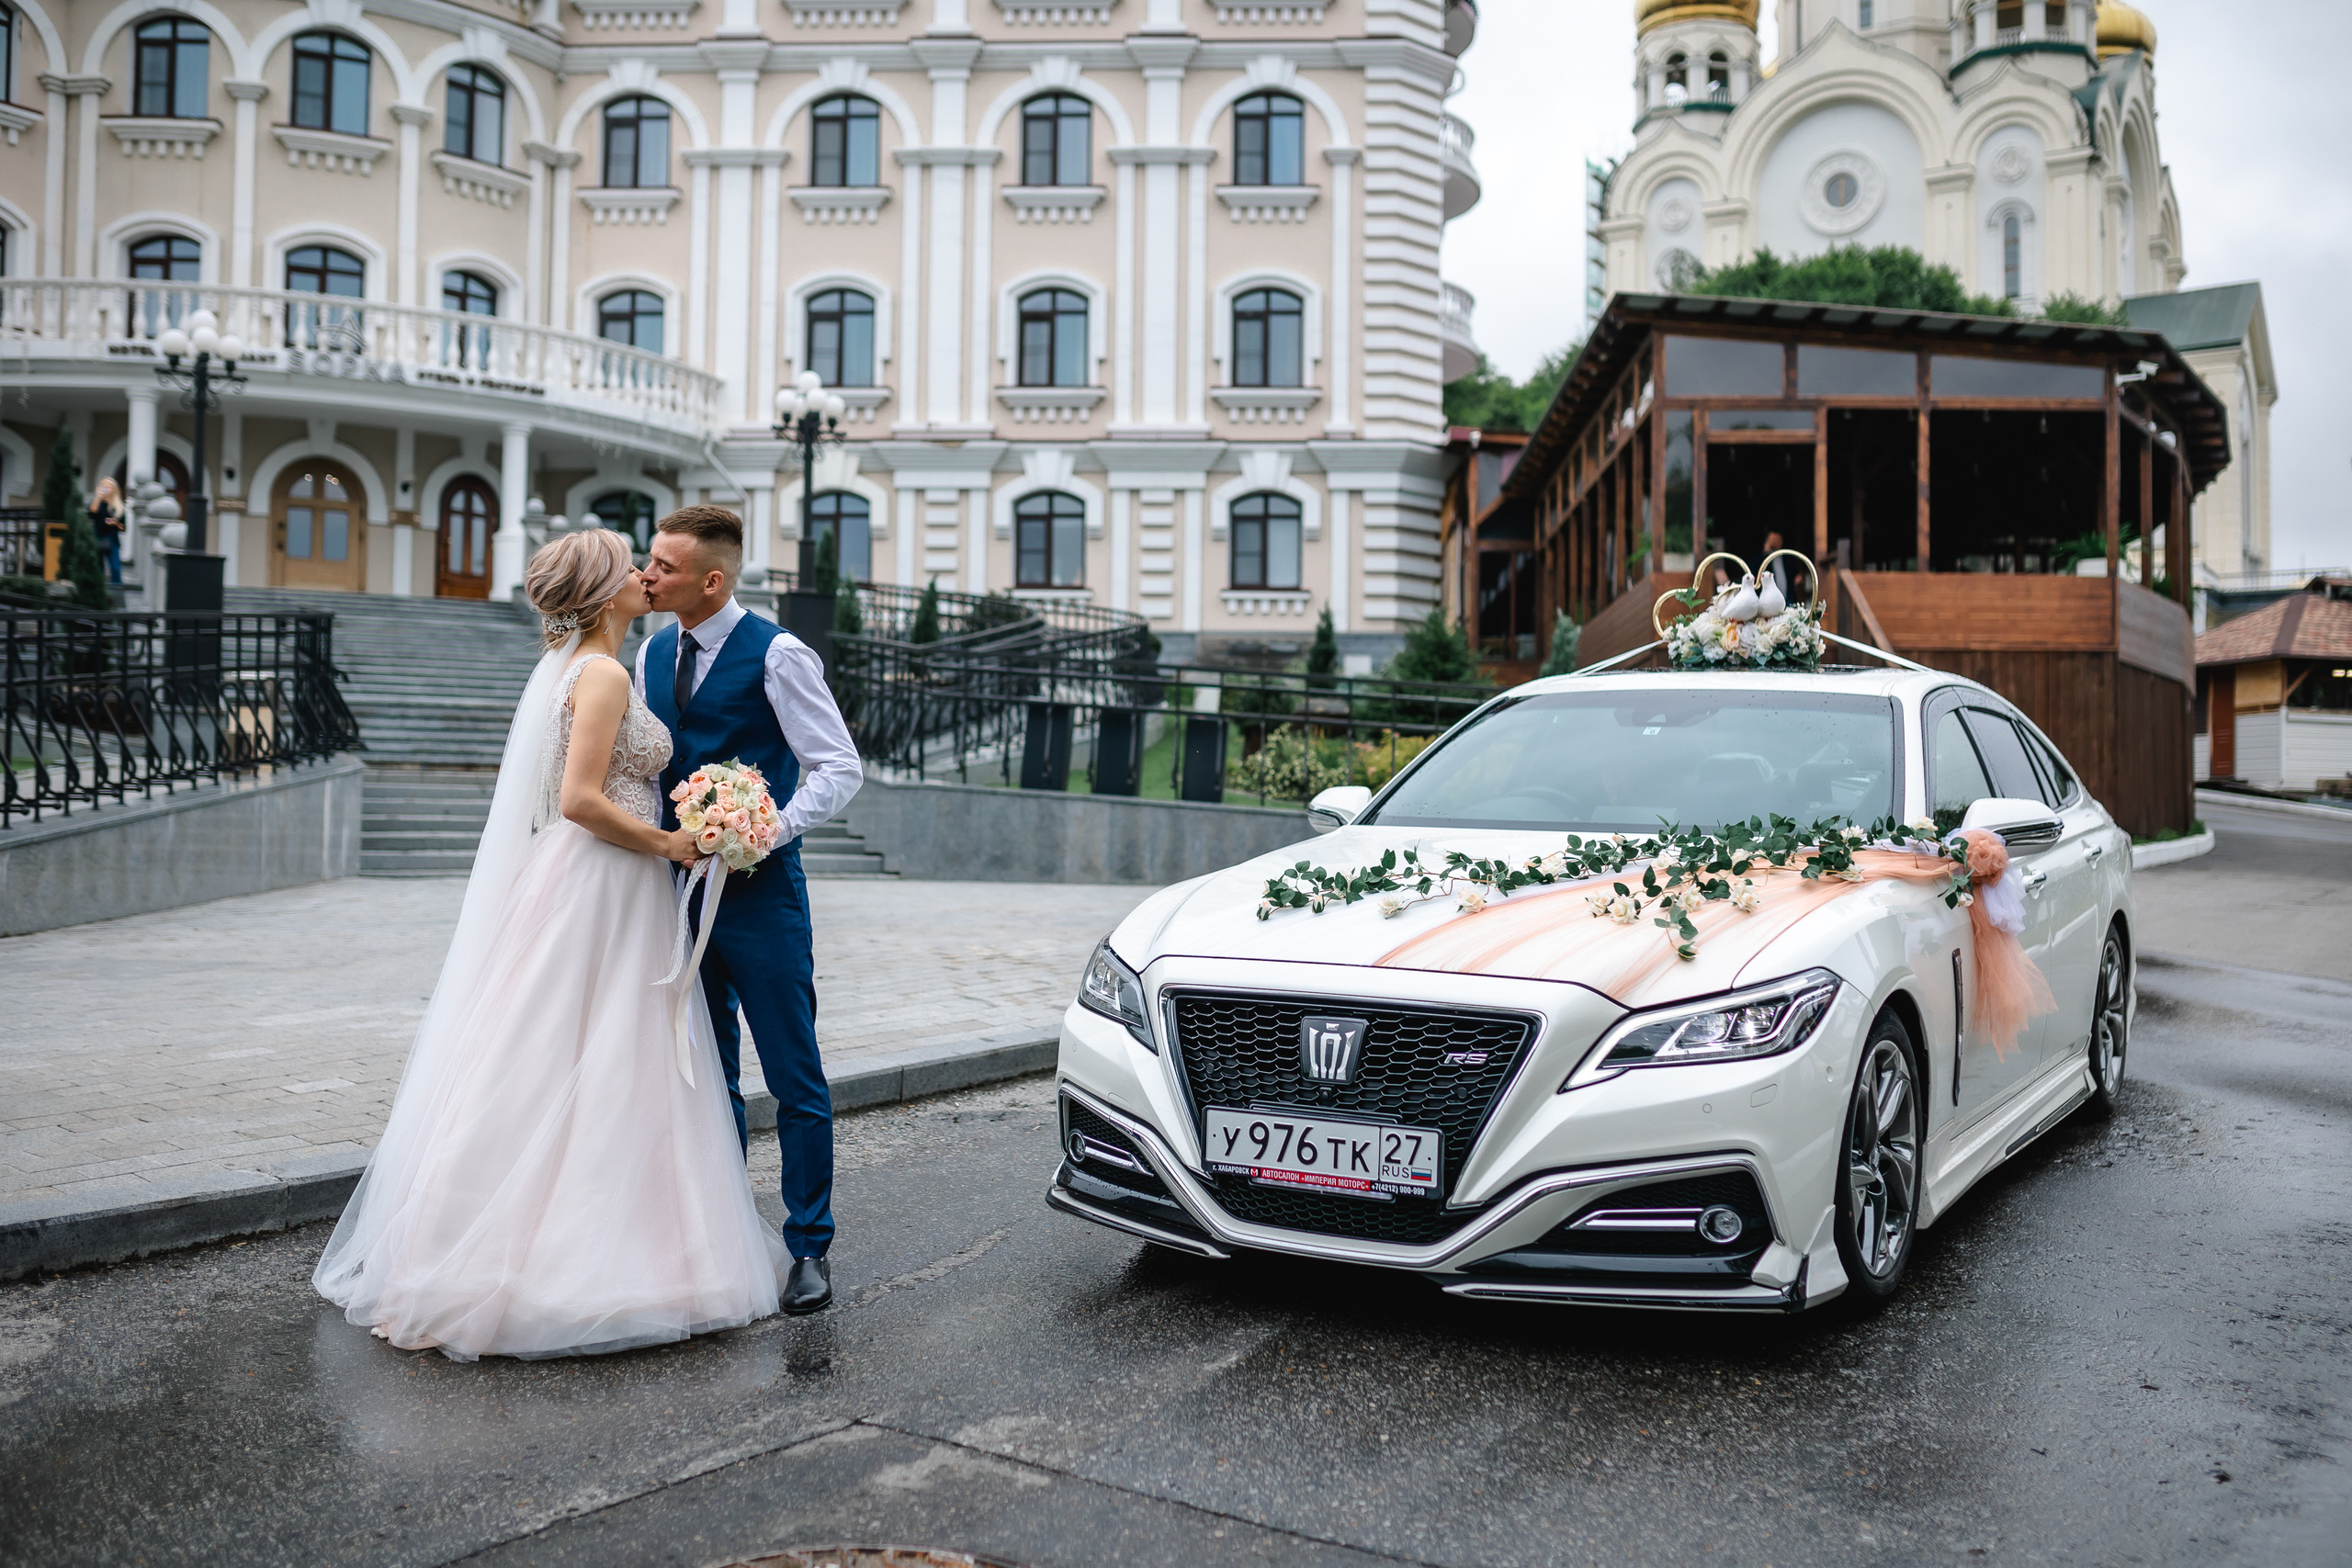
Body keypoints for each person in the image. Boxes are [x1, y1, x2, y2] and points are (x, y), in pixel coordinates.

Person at [312, 528, 786, 1359]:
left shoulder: (590, 669)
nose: (645, 576)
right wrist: (672, 843)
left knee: (581, 1052)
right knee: (585, 1051)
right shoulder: (601, 673)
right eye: (631, 568)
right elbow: (578, 799)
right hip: (604, 876)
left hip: (604, 879)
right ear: (606, 596)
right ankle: (564, 1263)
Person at [638, 506, 863, 1316]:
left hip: (762, 896)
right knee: (706, 1074)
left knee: (793, 1072)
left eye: (663, 566)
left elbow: (837, 767)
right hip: (673, 895)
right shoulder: (654, 647)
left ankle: (811, 1246)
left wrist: (762, 827)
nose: (648, 574)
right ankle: (726, 1232)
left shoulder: (780, 652)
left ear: (713, 579)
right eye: (650, 561)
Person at [89, 478, 125, 585]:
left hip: (112, 539)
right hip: (98, 537)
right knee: (99, 568)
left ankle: (117, 592)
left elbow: (123, 528)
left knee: (115, 568)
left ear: (114, 489)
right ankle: (99, 591)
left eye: (109, 486)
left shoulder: (118, 507)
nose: (107, 488)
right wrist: (99, 497)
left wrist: (115, 523)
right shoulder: (98, 503)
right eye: (104, 485)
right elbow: (92, 513)